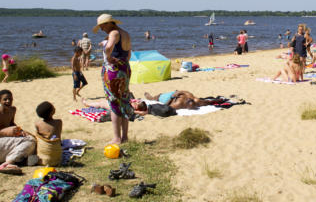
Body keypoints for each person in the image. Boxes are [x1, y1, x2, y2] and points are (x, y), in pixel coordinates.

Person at [93, 14, 134, 145]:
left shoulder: (114, 33)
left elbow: (109, 48)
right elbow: (129, 54)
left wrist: (108, 57)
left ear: (109, 23)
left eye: (102, 26)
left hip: (114, 71)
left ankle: (116, 137)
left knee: (114, 102)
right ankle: (125, 136)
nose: (101, 29)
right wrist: (122, 62)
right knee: (124, 100)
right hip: (125, 69)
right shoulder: (125, 33)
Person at [34, 101, 63, 167]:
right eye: (53, 107)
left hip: (44, 156)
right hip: (56, 157)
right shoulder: (59, 122)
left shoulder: (37, 124)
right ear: (51, 112)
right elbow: (59, 135)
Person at [143, 90, 217, 110]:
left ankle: (149, 97)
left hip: (167, 98)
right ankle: (151, 96)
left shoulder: (177, 104)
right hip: (175, 93)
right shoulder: (192, 98)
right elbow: (207, 102)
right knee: (158, 96)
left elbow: (165, 106)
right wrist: (178, 93)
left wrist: (172, 98)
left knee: (156, 98)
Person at [83, 98, 149, 115]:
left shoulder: (132, 108)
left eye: (138, 102)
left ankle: (87, 104)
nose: (137, 101)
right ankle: (88, 103)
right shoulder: (134, 105)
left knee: (101, 104)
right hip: (117, 104)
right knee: (101, 102)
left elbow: (135, 112)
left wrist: (141, 113)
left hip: (116, 106)